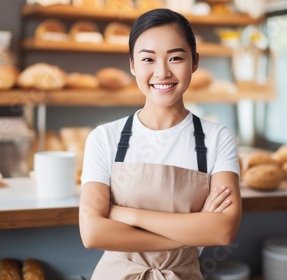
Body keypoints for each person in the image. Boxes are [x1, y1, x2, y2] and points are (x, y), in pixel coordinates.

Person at [79, 8, 241, 280]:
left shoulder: (217, 138)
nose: (162, 72)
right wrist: (189, 233)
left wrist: (128, 215)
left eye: (176, 58)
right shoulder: (105, 138)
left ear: (195, 62)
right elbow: (93, 233)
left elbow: (222, 231)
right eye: (148, 59)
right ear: (132, 65)